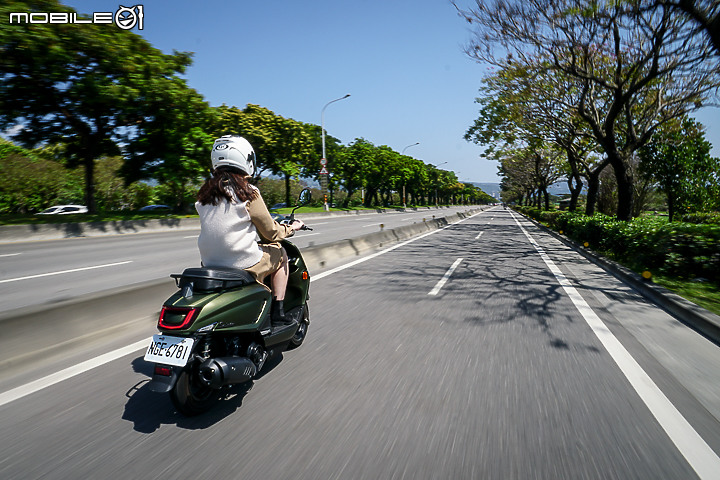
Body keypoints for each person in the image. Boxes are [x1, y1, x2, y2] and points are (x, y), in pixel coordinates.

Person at [195, 135, 305, 326]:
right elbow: (271, 232)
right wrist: (292, 227)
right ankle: (278, 311)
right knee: (281, 254)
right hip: (241, 261)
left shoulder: (204, 195)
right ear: (245, 159)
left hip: (209, 263)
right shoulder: (248, 192)